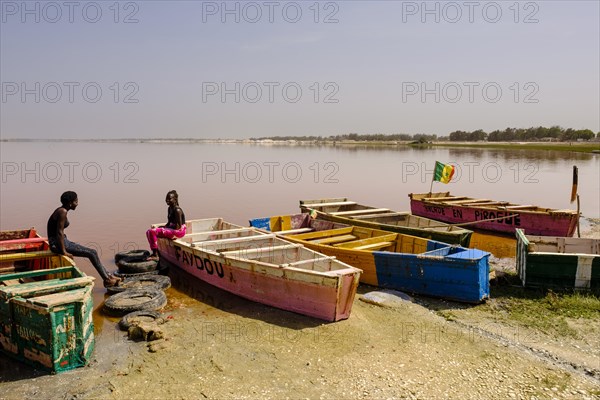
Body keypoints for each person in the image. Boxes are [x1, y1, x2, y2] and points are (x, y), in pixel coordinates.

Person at [47, 191, 121, 288]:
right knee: (91, 253)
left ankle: (109, 276)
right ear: (70, 203)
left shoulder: (61, 210)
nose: (77, 204)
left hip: (62, 241)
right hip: (57, 244)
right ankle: (107, 280)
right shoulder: (62, 212)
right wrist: (64, 252)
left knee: (92, 252)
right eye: (76, 201)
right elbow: (59, 233)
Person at [146, 190, 187, 261]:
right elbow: (169, 223)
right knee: (148, 232)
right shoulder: (169, 208)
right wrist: (164, 227)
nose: (167, 200)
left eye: (169, 199)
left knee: (152, 232)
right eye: (166, 199)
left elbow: (178, 227)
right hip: (173, 229)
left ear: (175, 199)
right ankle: (156, 251)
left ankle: (155, 254)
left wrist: (166, 229)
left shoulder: (177, 210)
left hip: (179, 231)